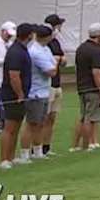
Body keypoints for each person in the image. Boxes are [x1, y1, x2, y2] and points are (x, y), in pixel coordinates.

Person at [0, 23, 34, 169]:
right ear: (29, 35)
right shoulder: (16, 52)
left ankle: (11, 157)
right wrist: (20, 94)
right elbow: (14, 75)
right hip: (12, 95)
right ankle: (3, 159)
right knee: (10, 127)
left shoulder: (22, 49)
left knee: (16, 126)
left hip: (21, 94)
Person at [71, 23, 100, 152]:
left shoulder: (81, 48)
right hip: (92, 88)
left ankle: (78, 144)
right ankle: (87, 145)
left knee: (83, 116)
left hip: (81, 86)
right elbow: (96, 72)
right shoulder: (97, 50)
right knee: (91, 118)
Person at [22, 24, 57, 161]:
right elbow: (51, 71)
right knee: (31, 123)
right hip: (35, 92)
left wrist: (54, 65)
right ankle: (25, 153)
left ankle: (38, 151)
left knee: (41, 123)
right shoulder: (35, 52)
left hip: (44, 91)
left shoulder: (45, 49)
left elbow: (53, 64)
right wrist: (55, 65)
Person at [42, 14, 67, 155]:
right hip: (48, 84)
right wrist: (57, 60)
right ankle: (36, 148)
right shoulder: (44, 44)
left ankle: (47, 146)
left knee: (52, 117)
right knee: (43, 118)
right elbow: (51, 62)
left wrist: (59, 59)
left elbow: (62, 59)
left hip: (57, 83)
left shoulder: (56, 42)